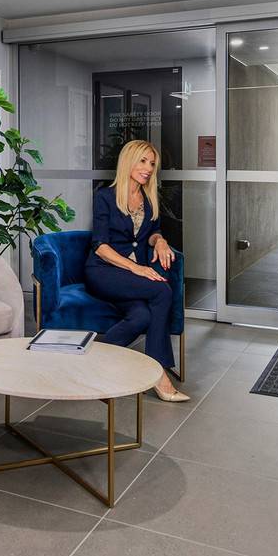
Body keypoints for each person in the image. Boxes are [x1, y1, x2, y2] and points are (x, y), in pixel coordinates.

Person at [85, 139, 189, 402]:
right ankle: (159, 374)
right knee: (162, 291)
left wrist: (160, 241)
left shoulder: (148, 199)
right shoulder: (105, 197)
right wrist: (137, 268)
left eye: (152, 163)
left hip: (130, 275)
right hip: (104, 271)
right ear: (128, 161)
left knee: (141, 316)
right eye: (143, 161)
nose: (149, 168)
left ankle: (92, 358)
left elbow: (153, 232)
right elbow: (100, 246)